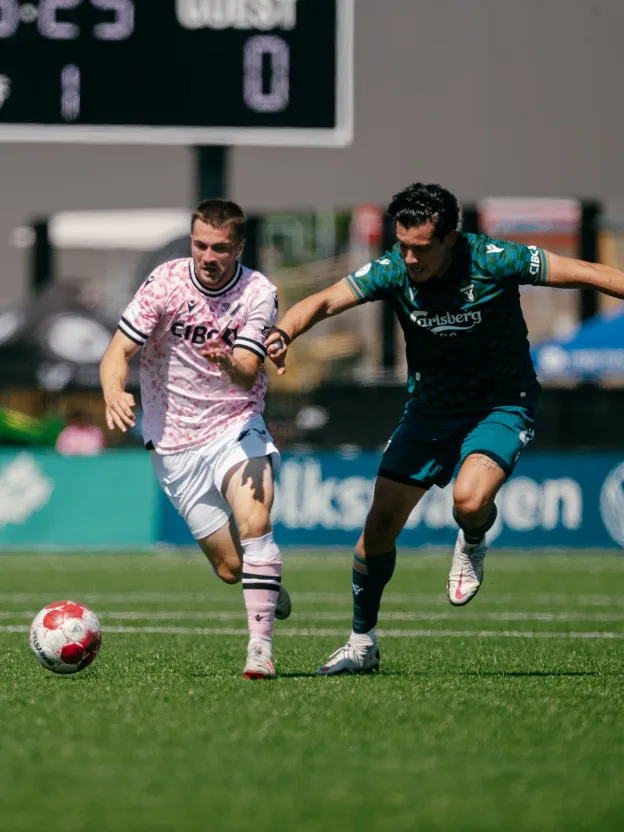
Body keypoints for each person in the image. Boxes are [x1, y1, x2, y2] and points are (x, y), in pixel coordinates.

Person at [265, 182, 624, 675]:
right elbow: (326, 301)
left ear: (451, 238)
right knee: (378, 528)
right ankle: (361, 643)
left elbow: (589, 273)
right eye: (402, 246)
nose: (409, 259)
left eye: (420, 248)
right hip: (431, 410)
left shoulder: (495, 259)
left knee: (469, 502)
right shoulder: (393, 268)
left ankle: (473, 539)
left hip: (502, 404)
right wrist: (284, 331)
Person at [100, 199, 290, 680]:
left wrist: (227, 361)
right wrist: (113, 393)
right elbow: (117, 351)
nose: (208, 257)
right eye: (200, 245)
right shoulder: (165, 282)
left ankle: (260, 650)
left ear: (239, 248)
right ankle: (262, 581)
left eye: (220, 248)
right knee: (229, 569)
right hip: (173, 440)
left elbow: (247, 373)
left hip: (235, 423)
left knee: (255, 519)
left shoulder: (258, 293)